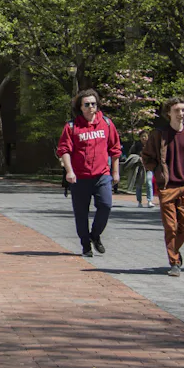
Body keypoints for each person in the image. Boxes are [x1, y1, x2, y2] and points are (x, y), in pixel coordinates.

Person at [142, 97, 184, 276]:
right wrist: (158, 172)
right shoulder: (159, 134)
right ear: (169, 112)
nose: (181, 114)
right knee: (171, 226)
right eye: (177, 110)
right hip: (168, 186)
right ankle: (174, 262)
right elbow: (146, 157)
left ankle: (174, 251)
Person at [56, 89, 122, 257]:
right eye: (87, 104)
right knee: (81, 213)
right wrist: (69, 171)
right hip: (79, 177)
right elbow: (64, 150)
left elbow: (115, 149)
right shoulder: (72, 127)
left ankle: (95, 235)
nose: (91, 107)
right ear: (80, 107)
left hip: (102, 176)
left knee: (106, 206)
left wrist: (115, 172)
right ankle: (86, 244)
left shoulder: (106, 124)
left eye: (93, 104)